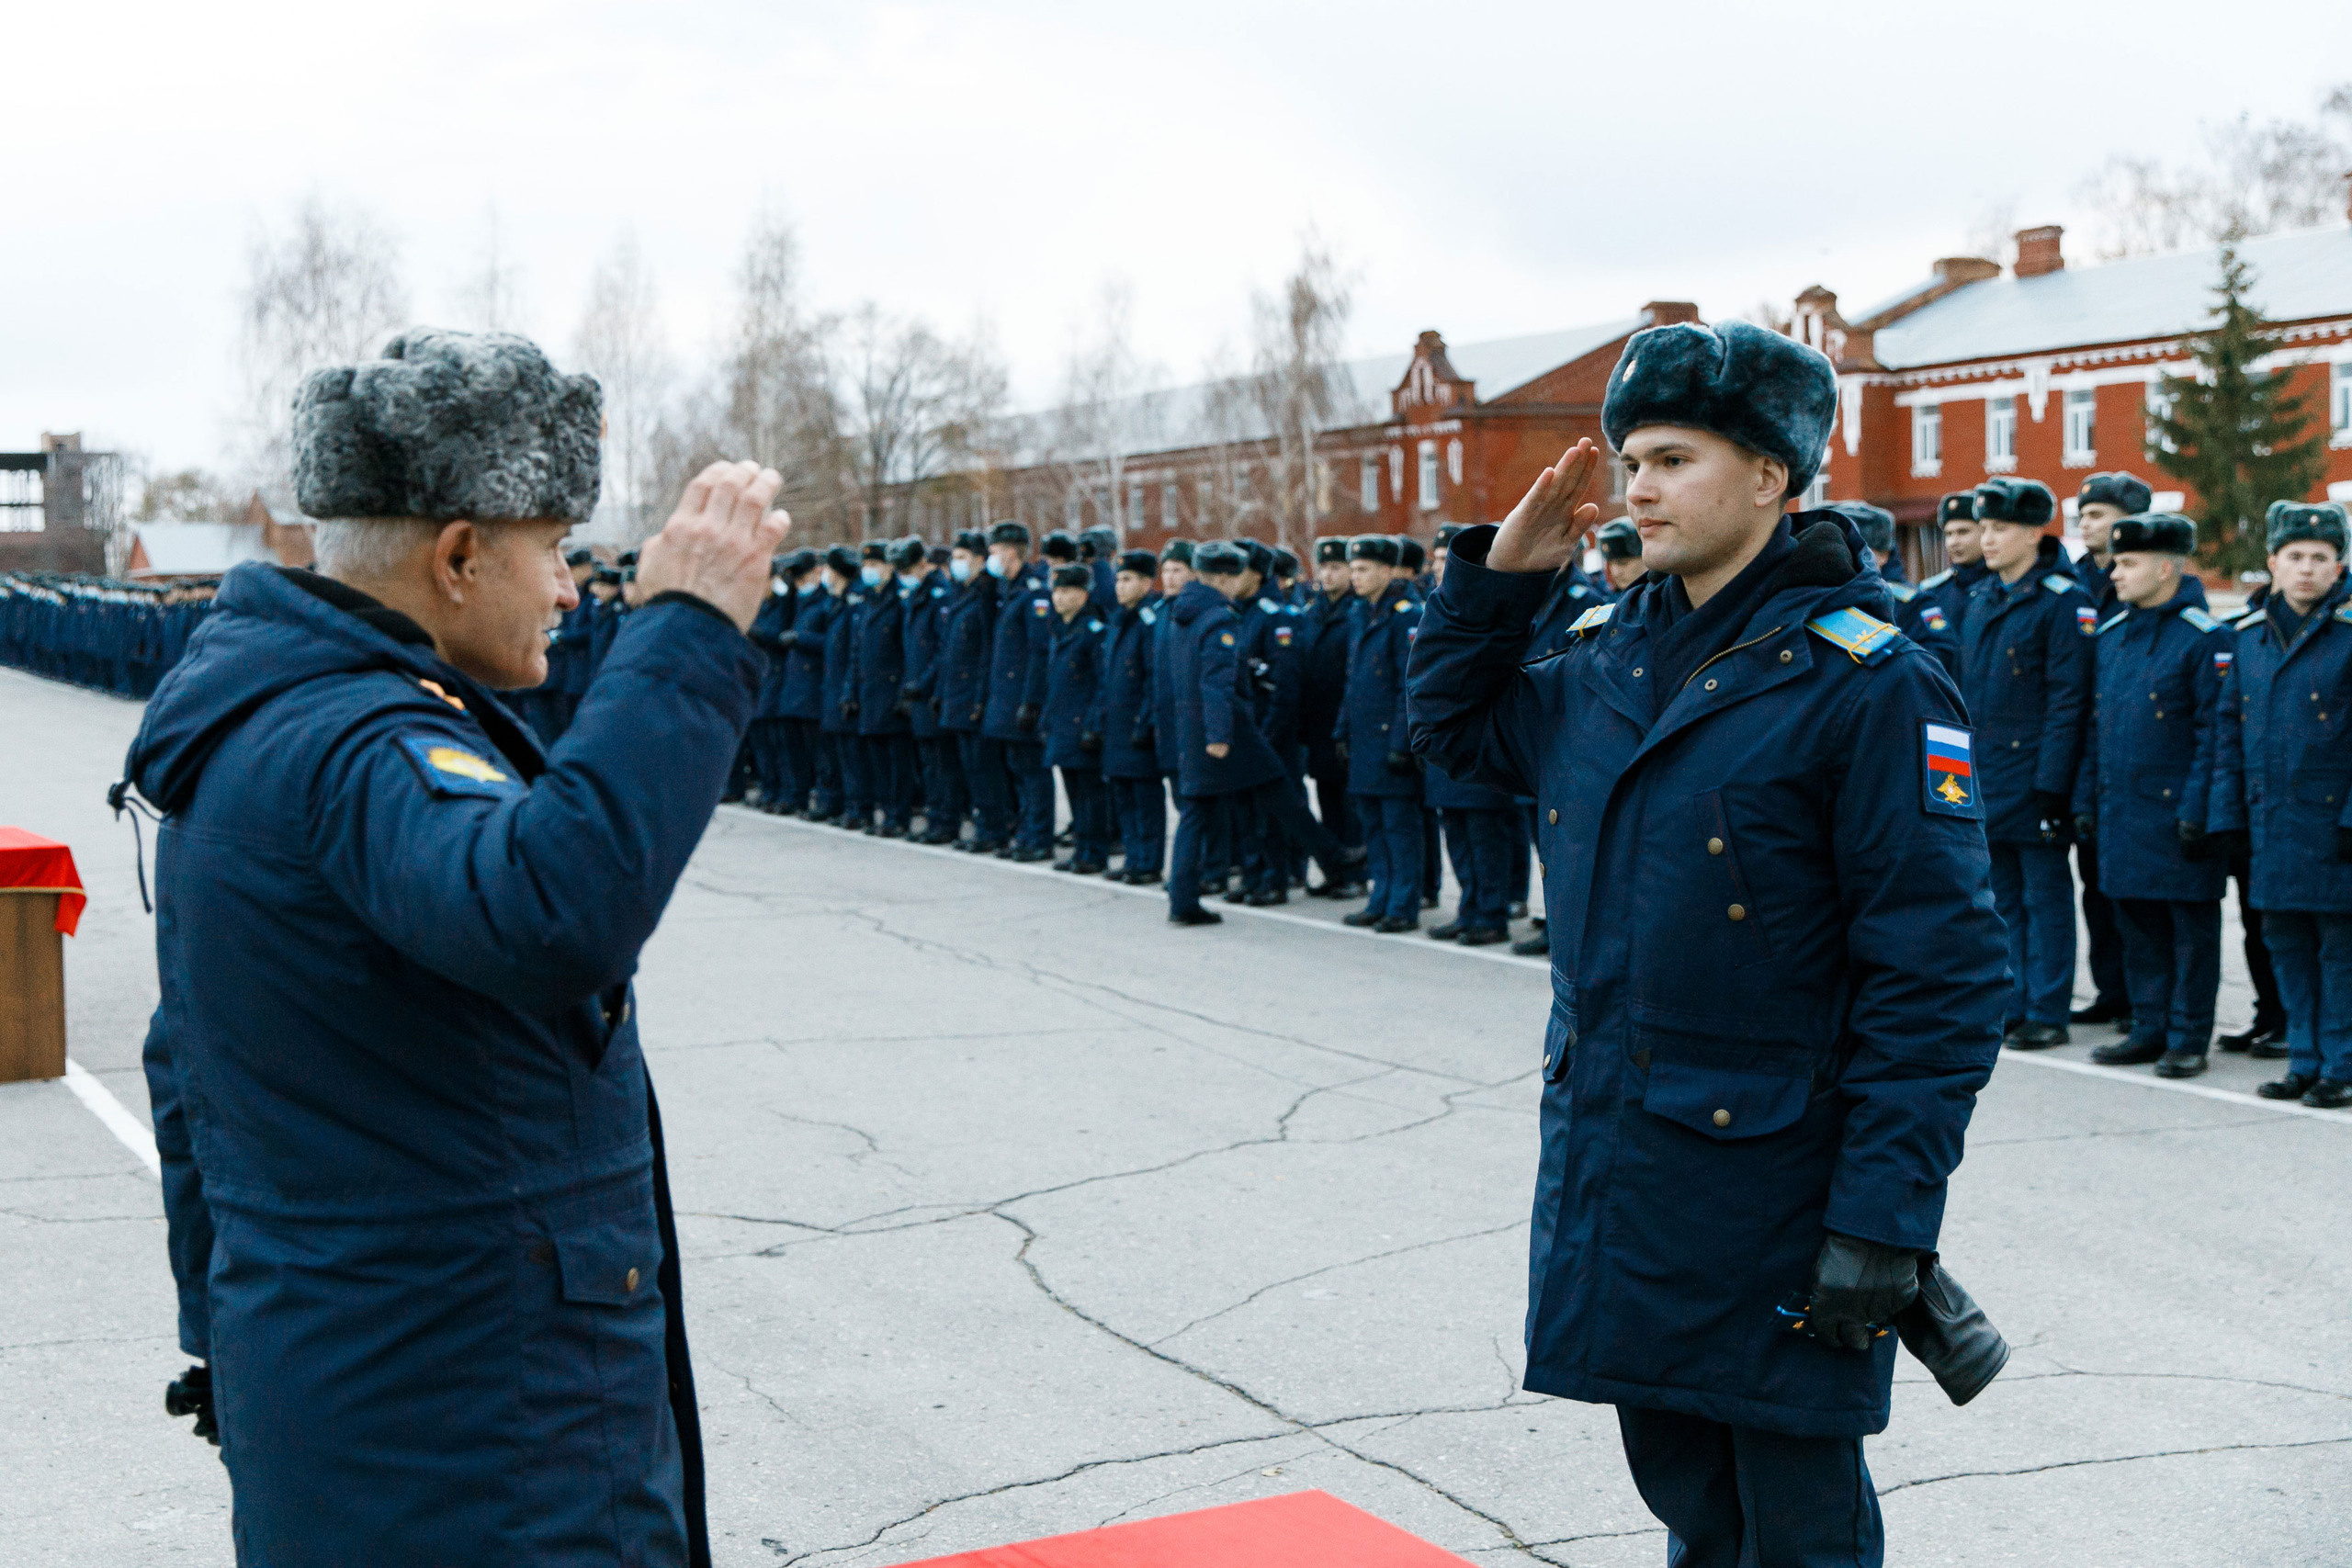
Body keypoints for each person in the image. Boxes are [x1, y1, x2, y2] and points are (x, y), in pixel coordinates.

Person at [122, 328, 787, 1567]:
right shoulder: (359, 742)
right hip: (477, 1445)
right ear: (461, 553)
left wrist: (230, 1332)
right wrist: (689, 626)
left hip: (368, 1399)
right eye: (552, 549)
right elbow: (551, 906)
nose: (574, 589)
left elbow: (185, 1076)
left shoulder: (264, 719)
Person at [1408, 318, 2005, 1568]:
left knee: (1794, 1525)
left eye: (1674, 457)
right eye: (1632, 457)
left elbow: (1941, 978)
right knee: (1693, 1502)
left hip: (1781, 1189)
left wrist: (1885, 1215)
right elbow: (1452, 740)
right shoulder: (1605, 657)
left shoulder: (1870, 683)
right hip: (1624, 1164)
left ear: (1773, 478)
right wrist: (1501, 581)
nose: (1635, 485)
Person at [2071, 513, 2232, 1078]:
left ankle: (2187, 1037)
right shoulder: (2112, 638)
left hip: (2177, 816)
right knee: (2137, 930)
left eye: (2129, 563)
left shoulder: (2203, 638)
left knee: (2189, 936)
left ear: (2166, 568)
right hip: (2122, 812)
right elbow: (2097, 727)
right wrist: (2086, 800)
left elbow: (2216, 736)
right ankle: (2149, 1027)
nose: (2115, 573)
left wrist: (2197, 812)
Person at [2210, 501, 2352, 1109]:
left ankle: (2341, 1065)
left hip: (2334, 825)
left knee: (2340, 954)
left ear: (2340, 564)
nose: (2307, 569)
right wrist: (2222, 818)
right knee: (2286, 946)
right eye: (2295, 556)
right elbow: (2227, 733)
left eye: (2321, 558)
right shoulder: (2249, 637)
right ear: (2272, 561)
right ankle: (2304, 1060)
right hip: (2271, 823)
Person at [1960, 476, 2094, 1050]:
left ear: (2037, 532)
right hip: (1984, 773)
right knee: (1999, 899)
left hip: (2035, 774)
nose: (1988, 540)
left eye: (2002, 528)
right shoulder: (1981, 599)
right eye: (1984, 528)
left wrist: (2052, 784)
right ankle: (2012, 1002)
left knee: (2045, 897)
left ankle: (2048, 1008)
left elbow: (2069, 701)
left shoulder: (2064, 601)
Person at [1338, 536, 1425, 932]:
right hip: (1363, 739)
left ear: (1388, 570)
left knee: (1398, 828)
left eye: (1363, 569)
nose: (1355, 577)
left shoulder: (1406, 614)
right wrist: (1342, 728)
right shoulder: (1361, 612)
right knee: (1372, 824)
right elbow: (1353, 679)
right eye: (1353, 569)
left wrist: (1401, 743)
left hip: (1391, 740)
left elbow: (1408, 685)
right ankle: (1380, 896)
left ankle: (1402, 904)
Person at [980, 522, 1056, 861]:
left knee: (1033, 772)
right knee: (1018, 770)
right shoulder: (1007, 590)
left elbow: (1039, 652)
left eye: (994, 551)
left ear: (1010, 551)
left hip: (1023, 700)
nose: (990, 559)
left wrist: (1032, 702)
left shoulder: (1034, 592)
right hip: (1006, 699)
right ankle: (1025, 834)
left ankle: (1038, 837)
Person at [1832, 499, 1961, 682]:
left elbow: (1941, 656)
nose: (1848, 557)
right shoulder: (1825, 597)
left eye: (1858, 550)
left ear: (1883, 555)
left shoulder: (1912, 603)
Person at [1297, 537, 1364, 885]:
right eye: (1324, 567)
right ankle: (1335, 870)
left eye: (1336, 567)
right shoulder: (1313, 611)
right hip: (1318, 723)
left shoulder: (1356, 611)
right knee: (1327, 799)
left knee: (1350, 803)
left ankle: (1355, 873)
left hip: (1345, 722)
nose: (1328, 574)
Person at [1099, 550, 1167, 884]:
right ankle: (1132, 856)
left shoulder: (1148, 621)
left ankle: (1148, 862)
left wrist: (1146, 721)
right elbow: (1107, 675)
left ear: (1145, 582)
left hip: (1138, 726)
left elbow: (1154, 677)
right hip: (1116, 725)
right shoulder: (1119, 619)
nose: (1120, 587)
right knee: (1123, 796)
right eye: (1118, 580)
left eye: (1127, 580)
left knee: (1145, 798)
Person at [938, 528, 1005, 852]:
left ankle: (993, 829)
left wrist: (981, 698)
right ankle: (984, 827)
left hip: (975, 697)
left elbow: (986, 652)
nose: (956, 563)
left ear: (981, 560)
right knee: (969, 768)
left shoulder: (985, 595)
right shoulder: (960, 594)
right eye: (955, 557)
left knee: (984, 769)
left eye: (963, 557)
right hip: (957, 695)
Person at [1042, 563, 1111, 874]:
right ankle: (1081, 849)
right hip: (1062, 724)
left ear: (1084, 594)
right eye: (1056, 591)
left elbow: (1102, 682)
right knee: (1073, 791)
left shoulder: (1093, 630)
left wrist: (1095, 723)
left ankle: (1095, 852)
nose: (1059, 597)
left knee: (1091, 793)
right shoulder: (1059, 629)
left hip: (1083, 725)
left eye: (1066, 591)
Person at [818, 544, 869, 829]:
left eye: (827, 568)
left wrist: (849, 690)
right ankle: (842, 804)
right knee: (838, 753)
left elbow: (854, 651)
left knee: (852, 756)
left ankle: (857, 808)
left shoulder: (855, 602)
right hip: (833, 687)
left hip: (846, 690)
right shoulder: (836, 602)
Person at [1918, 492, 1986, 640]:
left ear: (1985, 532)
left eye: (1963, 532)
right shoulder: (1932, 592)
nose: (1953, 542)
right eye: (1949, 534)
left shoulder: (2003, 586)